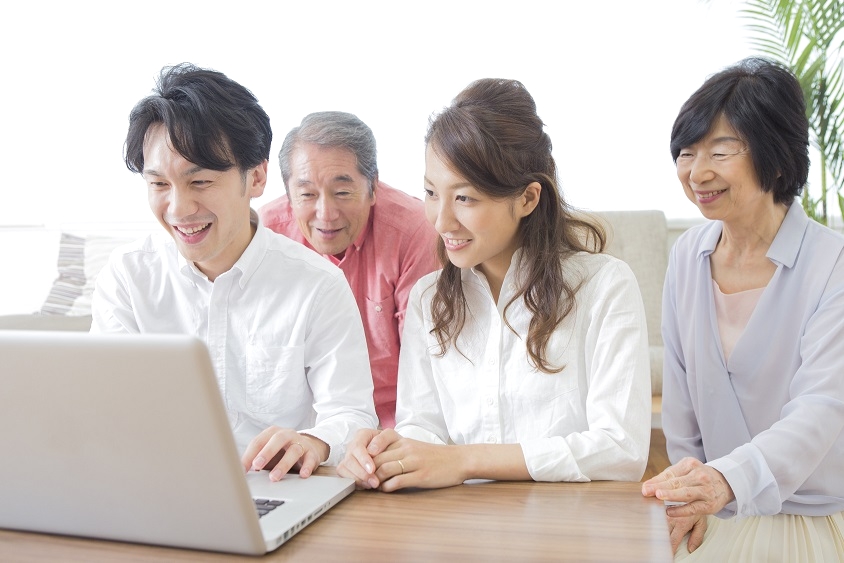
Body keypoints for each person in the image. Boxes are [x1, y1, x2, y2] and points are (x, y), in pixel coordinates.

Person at [337, 78, 652, 492]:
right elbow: (423, 431)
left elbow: (621, 449)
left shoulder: (604, 287)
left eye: (465, 198)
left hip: (569, 527)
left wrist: (466, 460)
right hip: (461, 524)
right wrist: (382, 453)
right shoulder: (428, 299)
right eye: (431, 192)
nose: (441, 220)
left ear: (527, 198)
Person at [91, 63, 378, 481]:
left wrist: (315, 442)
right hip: (156, 485)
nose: (178, 209)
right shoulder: (128, 278)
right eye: (158, 185)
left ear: (257, 176)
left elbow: (351, 413)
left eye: (200, 182)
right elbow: (104, 406)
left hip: (274, 489)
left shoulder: (317, 286)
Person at [641, 57, 844, 561]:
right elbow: (683, 401)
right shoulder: (689, 254)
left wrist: (726, 481)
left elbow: (820, 411)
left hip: (809, 518)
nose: (697, 171)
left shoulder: (833, 263)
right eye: (686, 153)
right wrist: (692, 491)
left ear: (776, 157)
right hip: (710, 511)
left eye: (721, 150)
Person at [259, 112, 439, 428]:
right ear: (288, 195)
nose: (325, 214)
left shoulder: (414, 231)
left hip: (391, 428)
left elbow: (425, 368)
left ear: (373, 187)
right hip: (294, 431)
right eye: (307, 195)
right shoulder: (263, 234)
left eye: (342, 192)